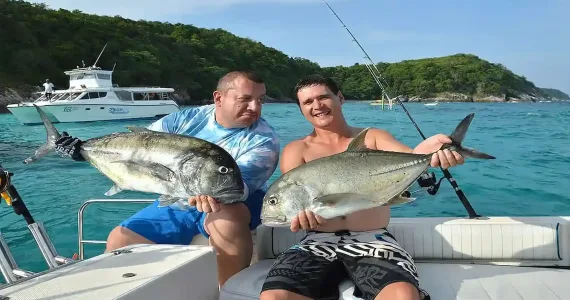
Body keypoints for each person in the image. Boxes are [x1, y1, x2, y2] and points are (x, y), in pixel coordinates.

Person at [54, 71, 280, 286]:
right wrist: (82, 151)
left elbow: (238, 188)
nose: (254, 107)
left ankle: (228, 291)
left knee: (225, 219)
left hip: (233, 199)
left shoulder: (263, 139)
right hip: (179, 196)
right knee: (119, 240)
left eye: (260, 100)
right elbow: (140, 145)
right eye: (245, 99)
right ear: (219, 98)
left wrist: (213, 196)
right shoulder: (187, 119)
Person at [260, 75, 466, 300]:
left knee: (403, 297)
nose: (317, 106)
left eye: (323, 97)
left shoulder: (372, 137)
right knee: (274, 297)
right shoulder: (296, 150)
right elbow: (295, 200)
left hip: (374, 240)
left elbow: (413, 157)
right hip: (316, 242)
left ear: (340, 98)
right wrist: (299, 220)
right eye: (308, 102)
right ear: (301, 108)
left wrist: (434, 150)